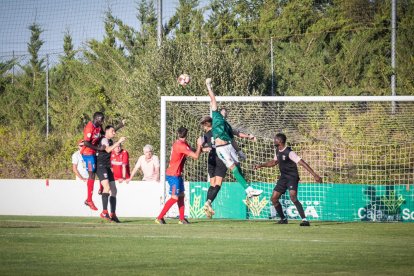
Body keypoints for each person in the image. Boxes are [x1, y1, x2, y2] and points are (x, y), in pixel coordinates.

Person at [205, 78, 262, 198]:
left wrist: (248, 137)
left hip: (229, 146)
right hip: (221, 149)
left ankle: (248, 190)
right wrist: (209, 86)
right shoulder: (216, 117)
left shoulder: (227, 125)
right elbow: (213, 99)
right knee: (233, 168)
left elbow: (236, 134)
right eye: (223, 111)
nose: (224, 112)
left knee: (238, 167)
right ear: (219, 112)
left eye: (226, 112)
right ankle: (249, 189)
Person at [253, 133, 322, 226]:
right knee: (274, 198)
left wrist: (315, 175)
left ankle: (305, 220)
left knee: (293, 197)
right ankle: (283, 219)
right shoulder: (277, 150)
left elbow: (302, 163)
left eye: (275, 139)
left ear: (280, 141)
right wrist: (260, 165)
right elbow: (274, 162)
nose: (274, 141)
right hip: (283, 177)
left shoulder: (289, 152)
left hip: (292, 177)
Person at [200, 116, 256, 218]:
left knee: (212, 184)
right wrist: (247, 137)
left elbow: (201, 148)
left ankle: (208, 204)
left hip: (211, 158)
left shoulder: (205, 136)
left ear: (205, 125)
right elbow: (235, 133)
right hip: (221, 157)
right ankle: (208, 202)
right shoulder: (220, 130)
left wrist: (205, 149)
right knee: (218, 184)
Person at [155, 127, 202, 224]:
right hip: (173, 175)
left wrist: (204, 149)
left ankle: (181, 219)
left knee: (181, 195)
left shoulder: (181, 144)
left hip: (177, 174)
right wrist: (199, 145)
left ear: (178, 134)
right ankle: (159, 218)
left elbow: (191, 150)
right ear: (187, 134)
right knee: (174, 197)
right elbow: (196, 156)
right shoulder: (181, 146)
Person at [96, 125, 126, 223]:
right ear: (107, 131)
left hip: (107, 167)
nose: (114, 133)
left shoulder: (110, 141)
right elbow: (108, 149)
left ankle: (113, 214)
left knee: (114, 190)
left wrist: (121, 124)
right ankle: (104, 212)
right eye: (113, 131)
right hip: (100, 166)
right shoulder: (104, 139)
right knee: (107, 187)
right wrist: (119, 142)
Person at [80, 112, 105, 211]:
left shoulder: (99, 127)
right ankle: (89, 200)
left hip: (93, 152)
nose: (102, 121)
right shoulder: (89, 127)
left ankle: (101, 188)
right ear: (96, 119)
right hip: (87, 153)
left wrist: (118, 126)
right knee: (92, 175)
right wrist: (98, 148)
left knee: (99, 169)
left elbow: (104, 134)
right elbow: (86, 142)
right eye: (101, 119)